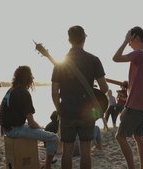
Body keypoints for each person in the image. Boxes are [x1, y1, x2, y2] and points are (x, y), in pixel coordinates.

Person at [51, 25, 108, 169]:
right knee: (86, 152)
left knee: (67, 152)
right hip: (86, 113)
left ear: (69, 40)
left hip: (67, 112)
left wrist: (60, 109)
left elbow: (54, 92)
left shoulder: (60, 63)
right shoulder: (94, 60)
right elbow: (104, 88)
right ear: (84, 39)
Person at [112, 26, 143, 169]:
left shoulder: (140, 54)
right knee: (138, 137)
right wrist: (129, 84)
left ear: (135, 37)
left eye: (130, 41)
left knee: (120, 137)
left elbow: (115, 58)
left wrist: (124, 41)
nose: (129, 44)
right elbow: (142, 80)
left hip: (135, 105)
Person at [0, 65, 58, 169]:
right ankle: (47, 166)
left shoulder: (10, 90)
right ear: (28, 78)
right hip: (15, 130)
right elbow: (31, 123)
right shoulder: (23, 93)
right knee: (53, 138)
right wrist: (40, 129)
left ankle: (40, 160)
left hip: (7, 129)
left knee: (37, 130)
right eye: (31, 76)